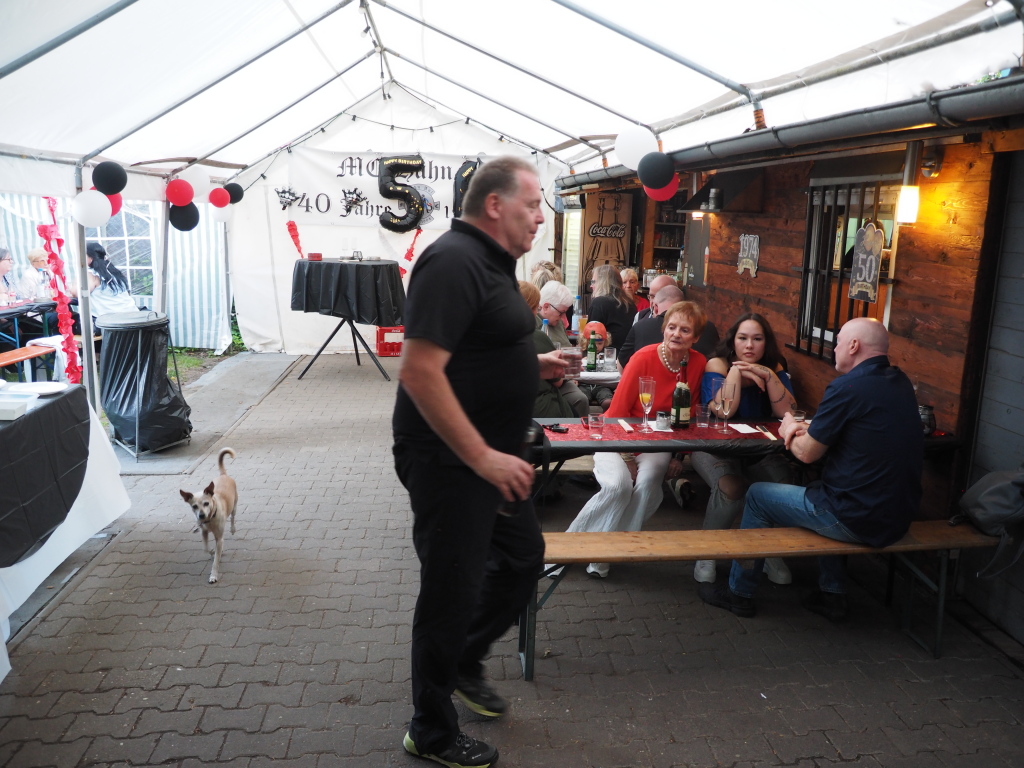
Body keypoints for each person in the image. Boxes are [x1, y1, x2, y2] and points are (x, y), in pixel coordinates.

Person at [392, 156, 568, 768]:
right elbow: (419, 372)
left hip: (492, 460)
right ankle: (430, 731)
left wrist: (533, 364)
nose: (541, 217)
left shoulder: (491, 264)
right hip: (450, 462)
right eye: (533, 204)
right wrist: (484, 458)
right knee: (450, 592)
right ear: (495, 205)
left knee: (522, 560)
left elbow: (477, 345)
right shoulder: (451, 261)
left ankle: (463, 660)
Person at [699, 317, 923, 622]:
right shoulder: (900, 383)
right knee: (819, 490)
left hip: (855, 518)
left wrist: (789, 428)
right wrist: (809, 430)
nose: (834, 349)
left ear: (853, 346)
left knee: (758, 495)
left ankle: (739, 592)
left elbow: (805, 454)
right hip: (898, 517)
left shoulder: (847, 387)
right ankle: (832, 593)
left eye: (838, 342)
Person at [563, 301, 707, 579]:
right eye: (672, 327)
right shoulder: (643, 357)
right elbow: (616, 412)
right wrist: (627, 455)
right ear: (664, 329)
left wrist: (679, 456)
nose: (676, 334)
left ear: (696, 337)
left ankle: (608, 553)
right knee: (618, 486)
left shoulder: (698, 363)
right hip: (616, 435)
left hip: (658, 441)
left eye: (685, 330)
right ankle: (571, 546)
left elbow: (690, 414)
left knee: (648, 482)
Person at [688, 313, 798, 586]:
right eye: (743, 338)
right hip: (714, 447)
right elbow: (724, 411)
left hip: (758, 449)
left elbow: (787, 412)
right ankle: (707, 552)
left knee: (782, 485)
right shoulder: (717, 364)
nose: (749, 345)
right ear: (732, 340)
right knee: (731, 486)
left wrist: (768, 375)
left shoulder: (774, 366)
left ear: (766, 342)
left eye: (757, 339)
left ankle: (769, 552)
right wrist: (736, 372)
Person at [520, 280, 575, 419]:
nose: (563, 318)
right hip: (541, 405)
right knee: (579, 399)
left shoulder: (493, 336)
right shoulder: (535, 334)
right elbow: (558, 378)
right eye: (536, 308)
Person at [536, 280, 589, 416]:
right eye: (561, 313)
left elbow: (566, 348)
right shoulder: (535, 325)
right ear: (546, 307)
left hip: (563, 378)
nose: (564, 318)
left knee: (581, 399)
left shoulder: (557, 322)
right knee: (578, 399)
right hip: (547, 382)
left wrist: (571, 374)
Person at [68, 242, 141, 318]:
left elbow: (76, 293)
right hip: (133, 316)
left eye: (82, 255)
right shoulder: (113, 271)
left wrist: (79, 274)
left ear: (90, 258)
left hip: (113, 320)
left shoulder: (91, 275)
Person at [618, 285, 684, 367]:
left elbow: (621, 364)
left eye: (684, 330)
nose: (676, 334)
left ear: (655, 308)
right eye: (650, 296)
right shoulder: (695, 328)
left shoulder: (640, 326)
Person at [587, 264, 636, 348]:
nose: (591, 286)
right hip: (626, 353)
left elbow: (590, 336)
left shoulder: (599, 303)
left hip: (606, 353)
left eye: (593, 282)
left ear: (602, 283)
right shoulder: (630, 303)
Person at [576, 320, 615, 411]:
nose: (596, 346)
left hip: (601, 384)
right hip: (584, 384)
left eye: (600, 343)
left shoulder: (607, 353)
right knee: (581, 399)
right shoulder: (580, 352)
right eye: (592, 343)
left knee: (607, 400)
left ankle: (608, 416)